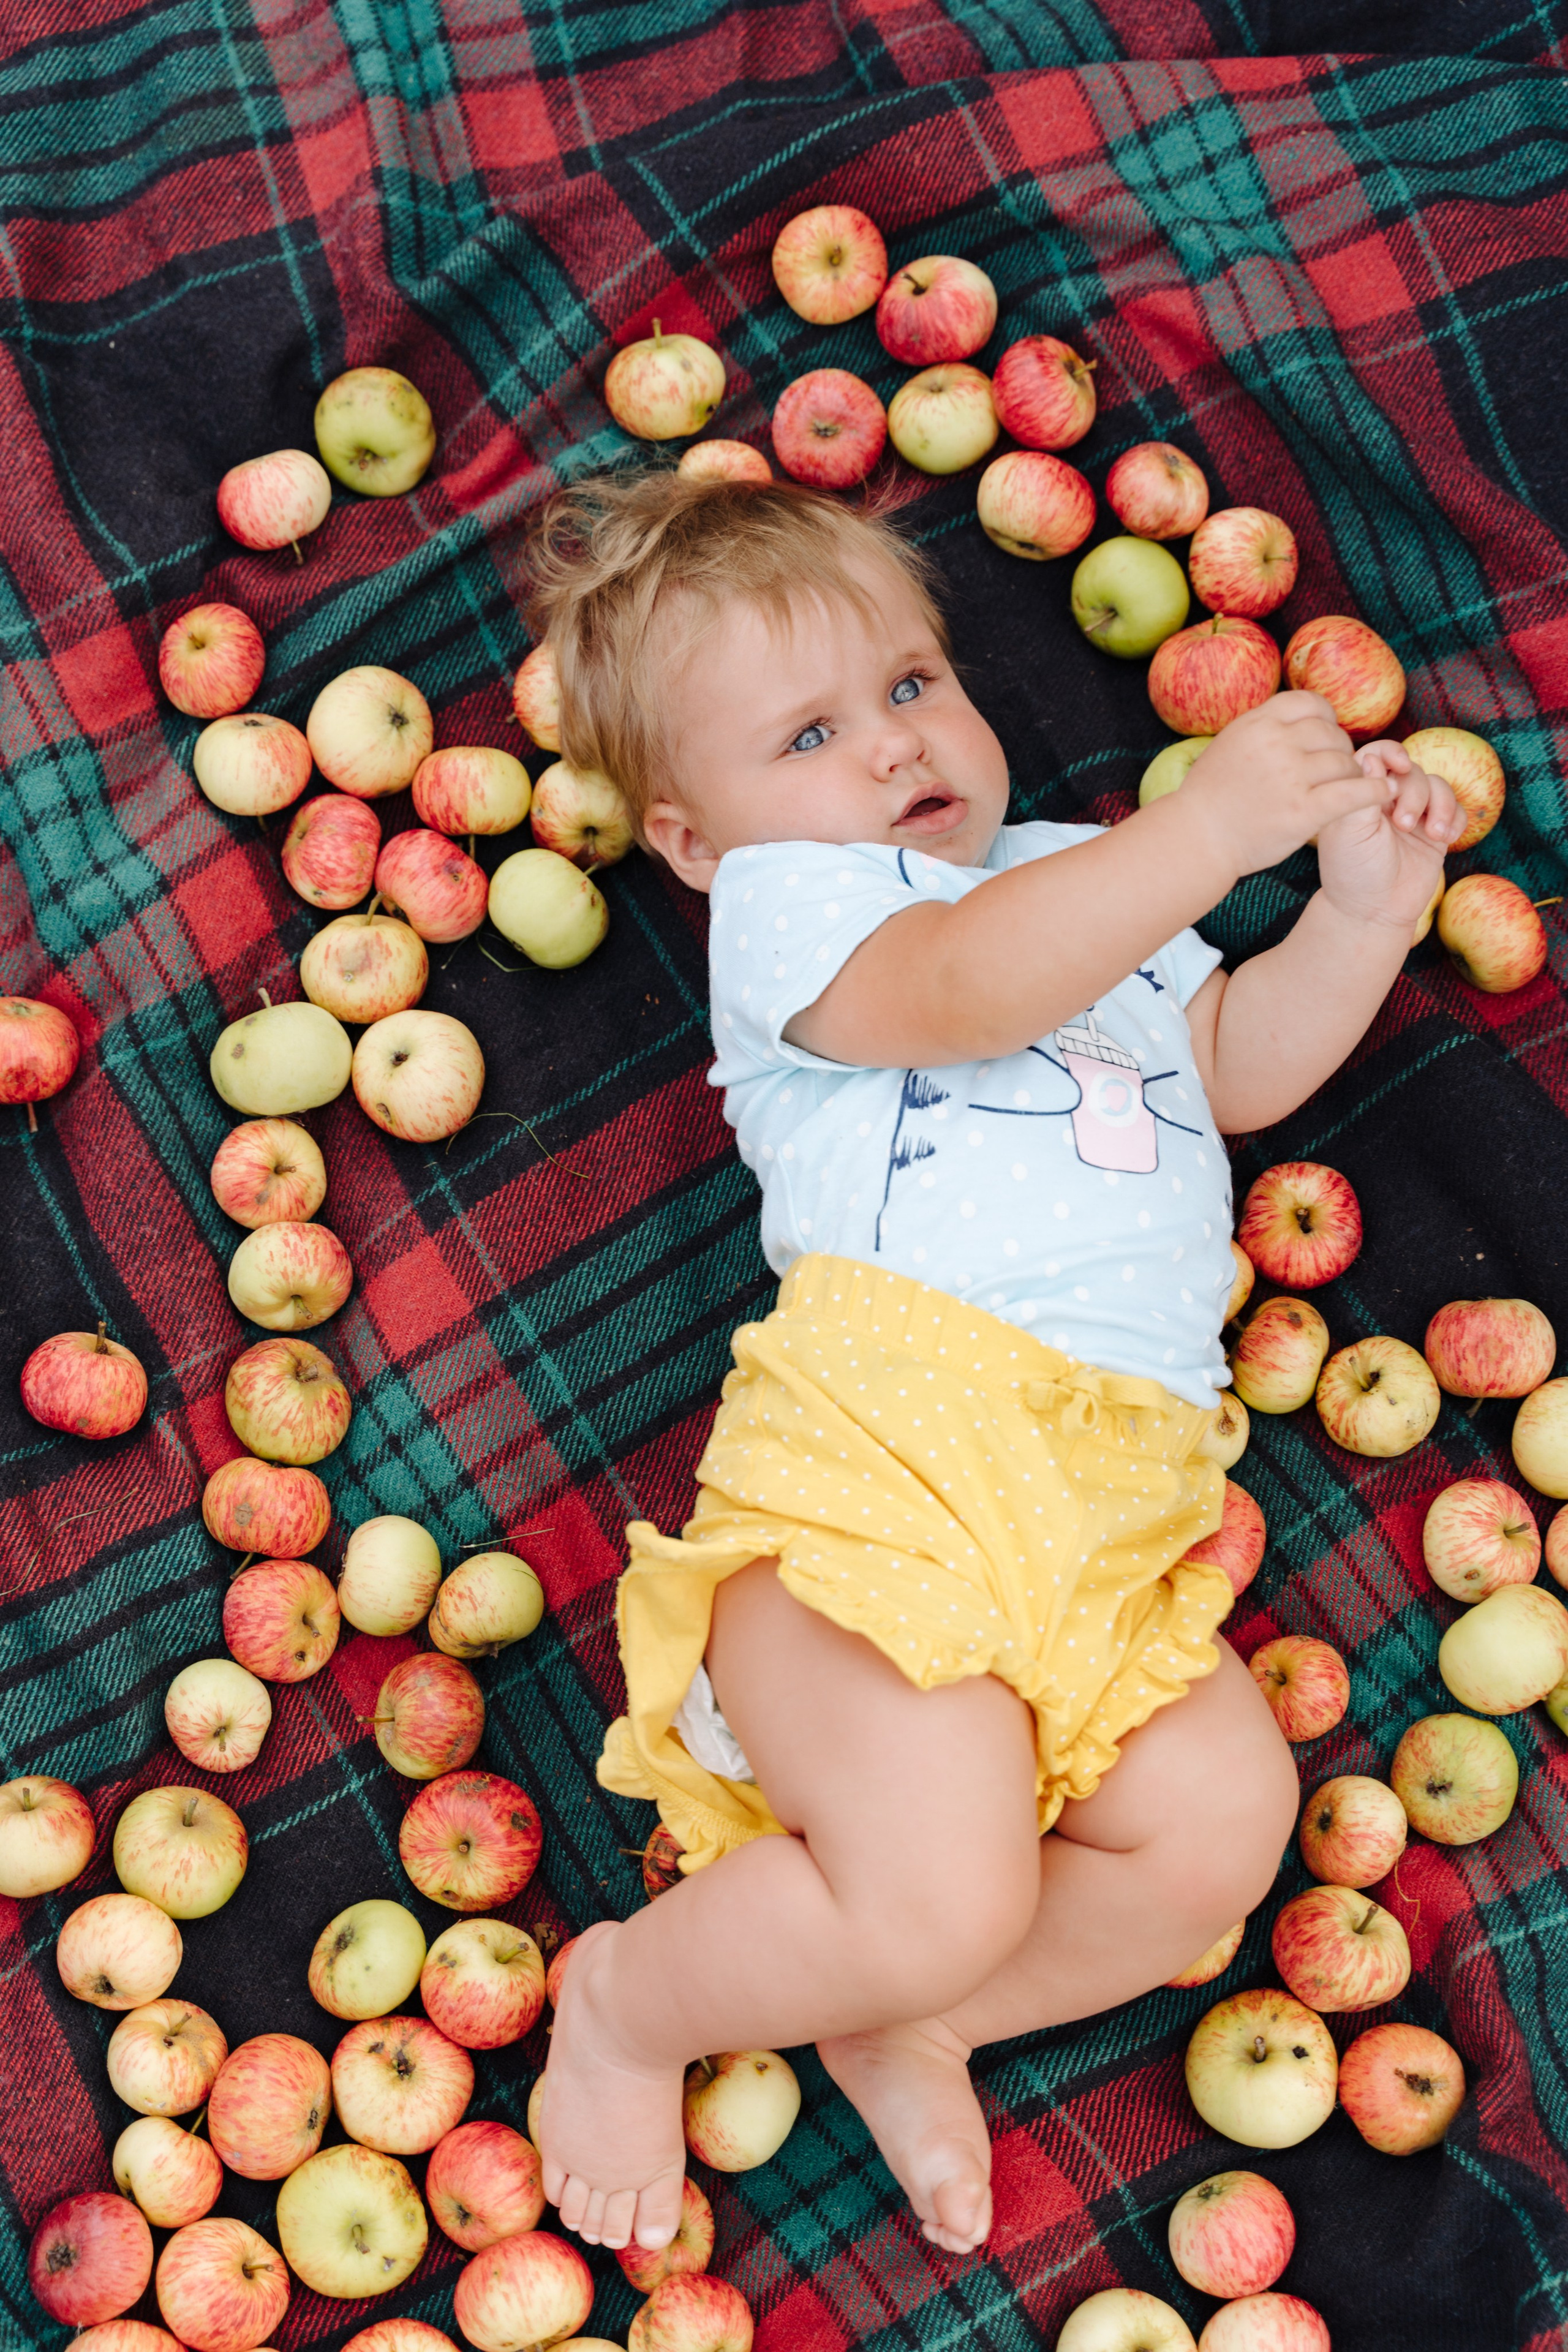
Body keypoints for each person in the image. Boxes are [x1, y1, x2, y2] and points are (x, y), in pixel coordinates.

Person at [526, 473, 1461, 2260]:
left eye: (911, 683)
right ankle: (632, 2007)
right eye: (808, 731)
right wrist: (1202, 833)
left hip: (1108, 1514)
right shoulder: (805, 919)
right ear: (697, 843)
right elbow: (962, 992)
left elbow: (1226, 1071)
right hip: (894, 1472)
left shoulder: (1065, 877)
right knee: (937, 1884)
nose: (892, 748)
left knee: (1226, 1824)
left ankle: (922, 2017)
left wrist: (1363, 914)